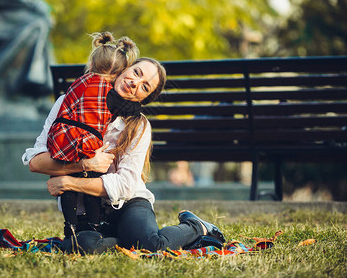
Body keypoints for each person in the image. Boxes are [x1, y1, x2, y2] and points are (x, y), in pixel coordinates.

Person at [24, 58, 226, 253]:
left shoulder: (138, 125)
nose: (135, 83)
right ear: (124, 70)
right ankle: (129, 241)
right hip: (84, 210)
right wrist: (85, 165)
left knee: (149, 244)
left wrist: (68, 182)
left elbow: (125, 184)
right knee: (79, 247)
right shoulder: (68, 102)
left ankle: (195, 227)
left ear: (144, 99)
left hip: (128, 202)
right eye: (136, 73)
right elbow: (36, 162)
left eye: (145, 87)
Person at [46, 32, 140, 238]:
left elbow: (67, 105)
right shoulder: (109, 91)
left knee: (67, 182)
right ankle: (94, 224)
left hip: (62, 138)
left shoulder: (79, 82)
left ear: (93, 62)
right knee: (91, 181)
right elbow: (129, 110)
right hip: (87, 143)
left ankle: (69, 226)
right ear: (119, 72)